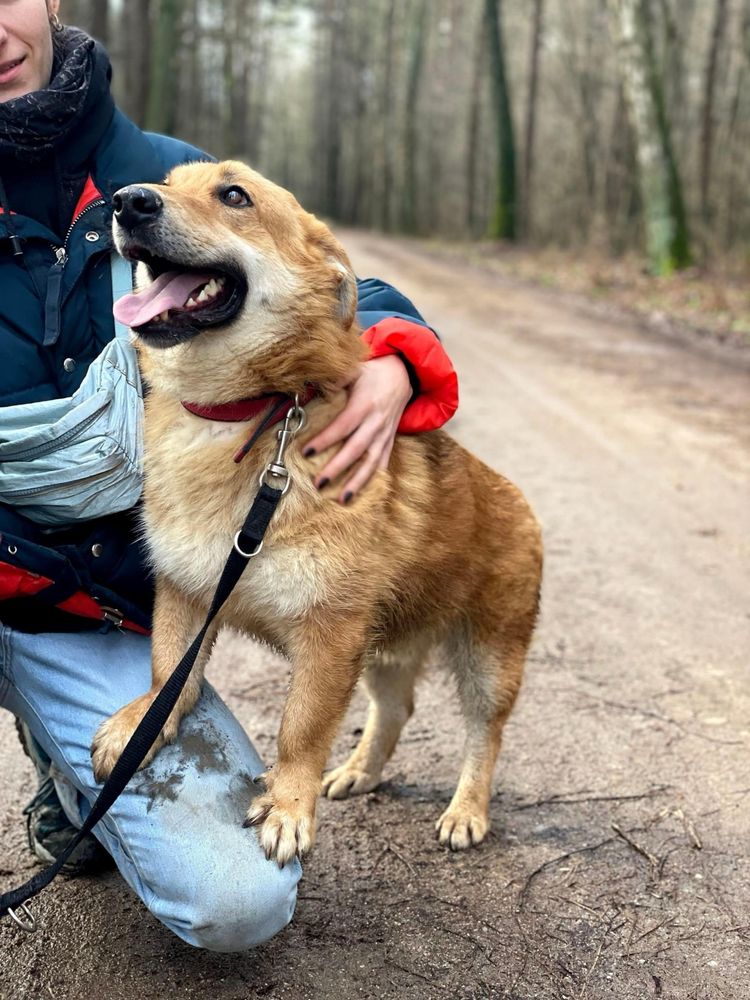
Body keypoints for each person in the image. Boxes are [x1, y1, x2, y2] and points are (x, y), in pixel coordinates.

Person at [0, 1, 458, 951]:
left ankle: (65, 747)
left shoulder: (168, 176)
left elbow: (336, 283)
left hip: (98, 607)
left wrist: (395, 352)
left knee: (235, 902)